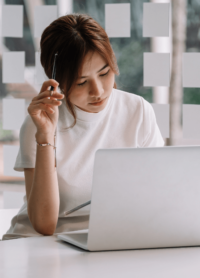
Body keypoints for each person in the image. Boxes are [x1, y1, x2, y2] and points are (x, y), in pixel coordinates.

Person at [2, 13, 164, 240]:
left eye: (104, 73)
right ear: (57, 81)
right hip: (40, 243)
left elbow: (161, 195)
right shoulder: (39, 123)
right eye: (81, 82)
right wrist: (46, 136)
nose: (97, 91)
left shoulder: (137, 111)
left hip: (107, 239)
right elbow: (44, 224)